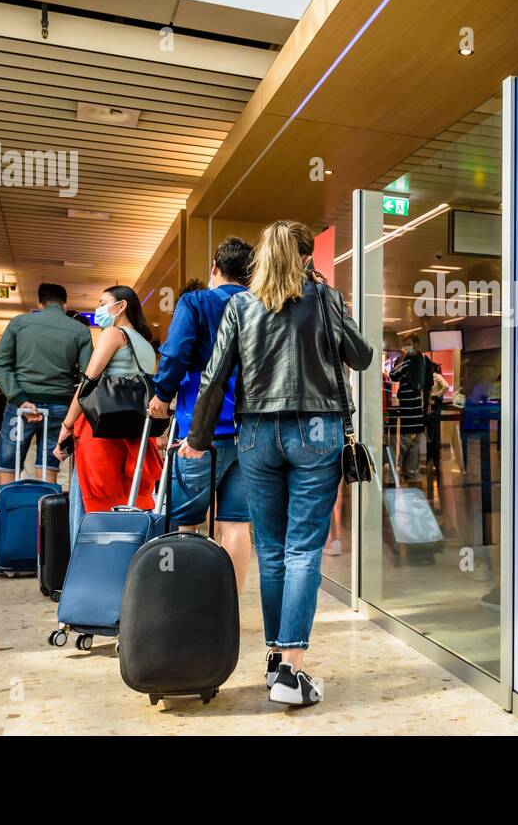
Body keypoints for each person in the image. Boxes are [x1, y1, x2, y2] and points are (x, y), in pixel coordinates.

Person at [181, 220, 373, 706]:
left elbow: (215, 374)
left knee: (270, 550)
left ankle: (274, 659)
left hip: (256, 434)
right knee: (303, 549)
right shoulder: (324, 299)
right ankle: (292, 671)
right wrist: (328, 298)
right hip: (316, 431)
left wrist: (198, 438)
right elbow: (363, 356)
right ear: (307, 258)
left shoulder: (241, 305)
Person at [148, 237, 253, 590]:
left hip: (199, 433)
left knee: (187, 523)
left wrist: (162, 395)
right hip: (249, 433)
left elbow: (176, 353)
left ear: (214, 268)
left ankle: (185, 602)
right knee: (236, 523)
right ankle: (229, 605)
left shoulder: (196, 302)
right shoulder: (261, 307)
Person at [0, 283, 92, 565]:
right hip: (59, 407)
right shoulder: (79, 330)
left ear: (40, 302)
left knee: (8, 466)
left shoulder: (20, 324)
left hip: (22, 406)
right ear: (65, 304)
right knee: (49, 469)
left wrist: (19, 399)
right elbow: (89, 374)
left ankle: (3, 541)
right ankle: (48, 543)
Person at [54, 286, 162, 547]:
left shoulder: (113, 334)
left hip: (100, 431)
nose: (98, 309)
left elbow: (88, 383)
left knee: (94, 503)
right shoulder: (146, 345)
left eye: (103, 303)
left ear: (121, 306)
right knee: (130, 499)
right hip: (135, 433)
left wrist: (67, 425)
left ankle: (89, 567)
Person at [390, 333, 433, 484]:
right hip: (412, 406)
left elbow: (428, 384)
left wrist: (427, 406)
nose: (406, 346)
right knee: (409, 440)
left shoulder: (418, 360)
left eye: (408, 343)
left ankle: (407, 471)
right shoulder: (415, 360)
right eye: (405, 344)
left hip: (414, 406)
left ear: (416, 343)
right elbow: (394, 376)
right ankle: (406, 471)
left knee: (411, 440)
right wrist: (401, 358)